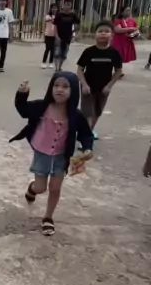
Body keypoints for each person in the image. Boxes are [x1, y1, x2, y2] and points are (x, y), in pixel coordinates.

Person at [11, 72, 93, 236]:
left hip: (62, 156)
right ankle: (32, 189)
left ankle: (48, 217)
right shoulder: (41, 107)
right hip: (42, 154)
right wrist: (22, 94)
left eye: (65, 87)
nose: (59, 90)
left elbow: (86, 134)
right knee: (41, 188)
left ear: (73, 91)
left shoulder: (76, 115)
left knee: (55, 188)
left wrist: (87, 148)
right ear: (51, 87)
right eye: (56, 85)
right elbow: (23, 110)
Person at [77, 21, 123, 139]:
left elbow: (118, 71)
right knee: (87, 112)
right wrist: (84, 85)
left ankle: (90, 131)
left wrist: (109, 86)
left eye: (107, 31)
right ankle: (86, 135)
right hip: (88, 87)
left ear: (112, 35)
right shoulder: (88, 52)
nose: (103, 33)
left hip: (103, 89)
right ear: (95, 34)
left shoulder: (114, 53)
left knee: (97, 112)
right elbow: (80, 69)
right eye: (100, 31)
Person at [53, 0, 80, 71]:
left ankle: (60, 66)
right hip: (59, 36)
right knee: (57, 53)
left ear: (71, 6)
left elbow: (77, 23)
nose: (67, 6)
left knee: (64, 54)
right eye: (66, 4)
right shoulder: (59, 14)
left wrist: (75, 32)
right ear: (63, 5)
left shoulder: (73, 15)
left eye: (69, 5)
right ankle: (56, 68)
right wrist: (56, 35)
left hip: (68, 37)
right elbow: (55, 25)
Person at [42, 3, 58, 69]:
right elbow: (46, 21)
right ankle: (43, 62)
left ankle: (51, 62)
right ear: (51, 9)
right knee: (47, 49)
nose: (54, 9)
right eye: (53, 8)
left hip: (54, 35)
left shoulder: (57, 16)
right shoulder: (48, 16)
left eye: (55, 8)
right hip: (48, 34)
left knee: (53, 50)